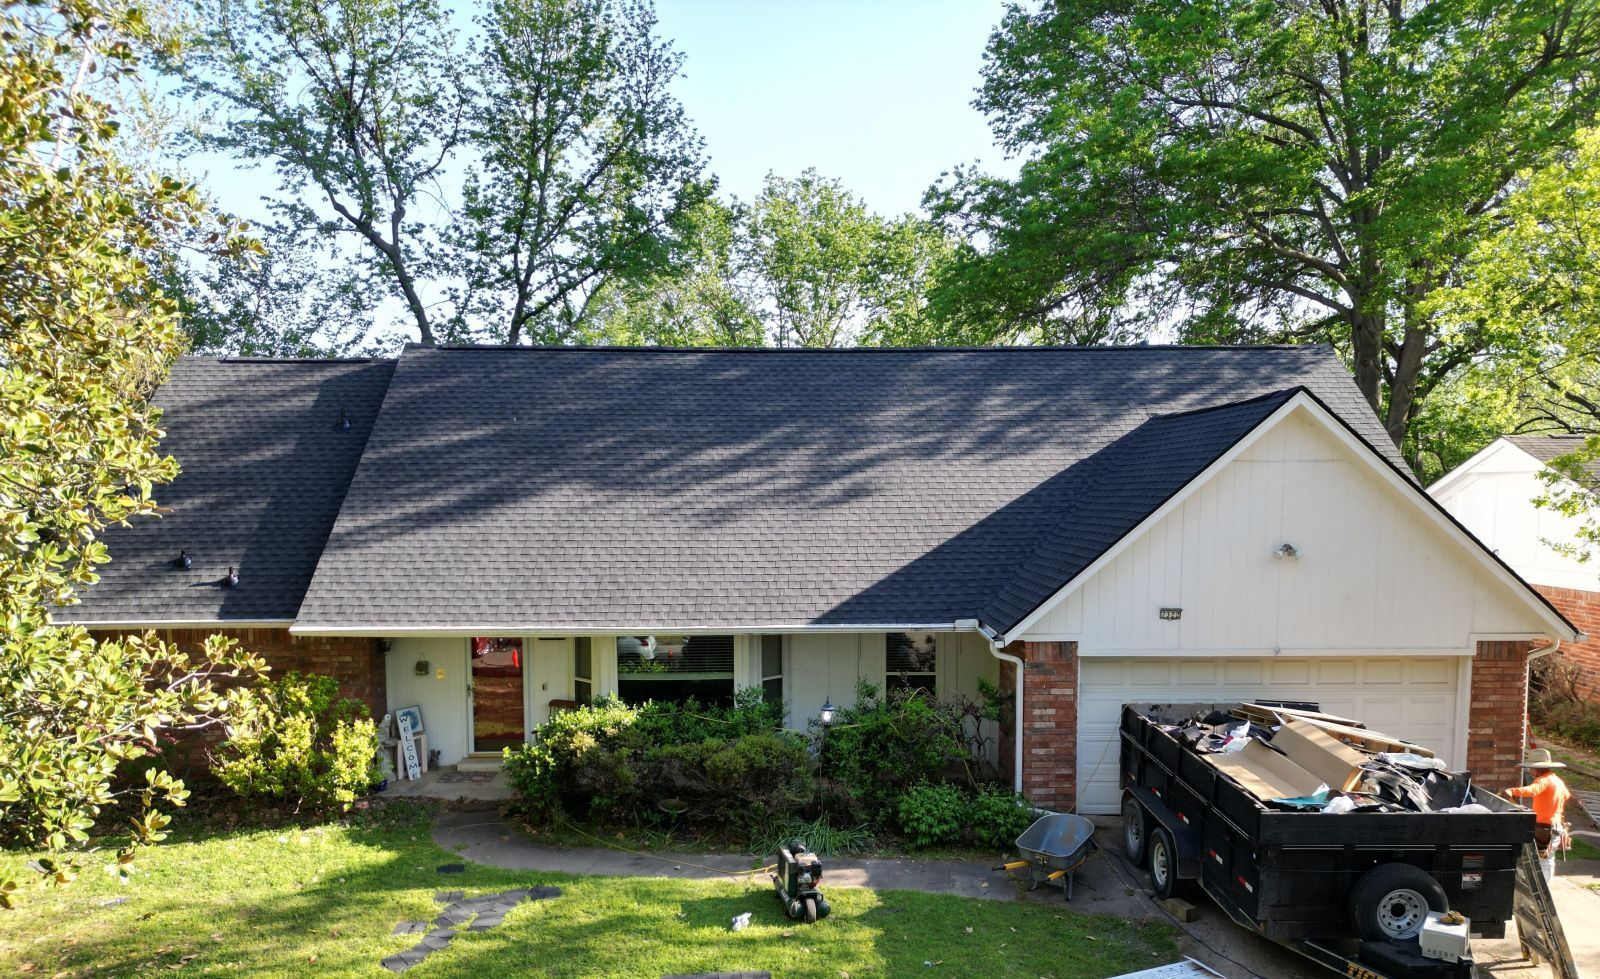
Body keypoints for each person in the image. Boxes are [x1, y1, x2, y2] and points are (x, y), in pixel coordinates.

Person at [1506, 748, 1572, 882]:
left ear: (1537, 768)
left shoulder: (1543, 780)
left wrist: (1513, 791)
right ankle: (1541, 887)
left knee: (1544, 861)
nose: (1531, 771)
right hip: (1555, 825)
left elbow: (1532, 790)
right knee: (1547, 860)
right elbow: (1566, 795)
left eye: (1532, 768)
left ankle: (1544, 890)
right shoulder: (1557, 780)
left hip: (1545, 828)